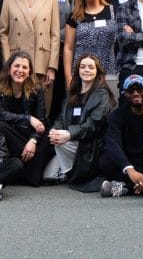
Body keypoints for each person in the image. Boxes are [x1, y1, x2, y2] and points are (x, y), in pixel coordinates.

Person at [0, 51, 53, 186]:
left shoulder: (36, 88)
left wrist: (33, 140)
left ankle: (24, 171)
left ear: (29, 72)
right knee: (0, 125)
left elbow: (41, 120)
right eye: (17, 66)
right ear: (9, 69)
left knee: (47, 133)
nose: (20, 70)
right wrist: (27, 118)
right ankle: (23, 169)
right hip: (10, 134)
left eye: (24, 67)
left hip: (30, 134)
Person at [42, 54, 113, 187]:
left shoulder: (102, 95)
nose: (86, 70)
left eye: (91, 67)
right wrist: (55, 130)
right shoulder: (72, 93)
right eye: (83, 67)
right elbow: (60, 118)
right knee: (48, 177)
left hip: (89, 145)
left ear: (97, 72)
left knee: (60, 143)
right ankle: (70, 170)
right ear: (78, 70)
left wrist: (68, 134)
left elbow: (94, 125)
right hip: (68, 141)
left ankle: (74, 171)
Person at [0, 0, 60, 98]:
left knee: (41, 108)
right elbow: (3, 32)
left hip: (42, 62)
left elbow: (55, 35)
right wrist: (9, 63)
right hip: (16, 63)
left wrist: (52, 67)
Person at [64, 0, 120, 97]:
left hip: (108, 70)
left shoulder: (113, 11)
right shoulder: (75, 16)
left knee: (108, 105)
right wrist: (68, 76)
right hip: (82, 71)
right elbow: (68, 48)